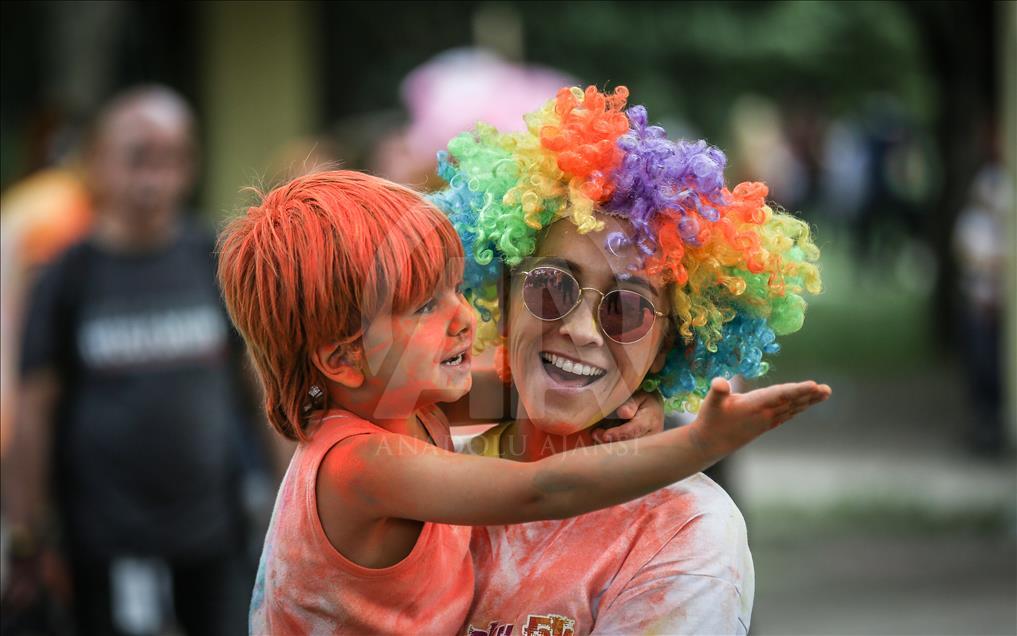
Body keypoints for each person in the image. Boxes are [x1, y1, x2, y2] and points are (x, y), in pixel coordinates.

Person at [215, 170, 829, 633]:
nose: (462, 318)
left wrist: (646, 397)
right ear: (344, 360)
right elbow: (544, 489)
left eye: (628, 308)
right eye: (549, 286)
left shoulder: (415, 403)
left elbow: (532, 387)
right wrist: (696, 442)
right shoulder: (363, 464)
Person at [430, 85, 826, 634]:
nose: (578, 329)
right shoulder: (426, 464)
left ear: (669, 341)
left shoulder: (684, 530)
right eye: (550, 287)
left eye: (627, 309)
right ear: (504, 285)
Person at [1, 85, 258, 636]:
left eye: (173, 158)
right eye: (138, 157)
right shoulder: (66, 276)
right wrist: (26, 534)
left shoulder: (212, 258)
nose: (155, 179)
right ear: (97, 163)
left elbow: (259, 387)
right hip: (105, 542)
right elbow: (33, 410)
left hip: (212, 533)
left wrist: (293, 493)